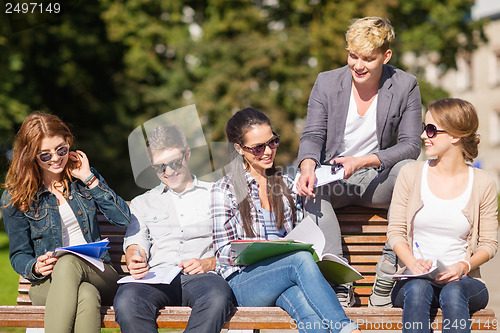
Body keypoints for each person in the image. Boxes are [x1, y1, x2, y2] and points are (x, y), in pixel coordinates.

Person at [296, 16, 422, 306]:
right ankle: (340, 283)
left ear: (386, 55)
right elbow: (313, 134)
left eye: (367, 58)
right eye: (353, 56)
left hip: (377, 178)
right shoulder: (326, 82)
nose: (358, 65)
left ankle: (388, 273)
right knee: (311, 188)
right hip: (335, 181)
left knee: (411, 172)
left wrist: (362, 161)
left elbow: (412, 145)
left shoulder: (405, 85)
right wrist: (307, 166)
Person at [211, 108, 361, 333]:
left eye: (272, 142)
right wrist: (262, 249)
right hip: (244, 283)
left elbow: (301, 235)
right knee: (298, 259)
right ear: (239, 148)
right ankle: (346, 328)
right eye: (257, 147)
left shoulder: (287, 185)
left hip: (285, 279)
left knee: (311, 317)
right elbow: (223, 252)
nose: (267, 151)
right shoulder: (224, 190)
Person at [1, 111, 131, 333]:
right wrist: (34, 266)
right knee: (87, 295)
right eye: (45, 155)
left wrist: (89, 178)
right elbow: (18, 254)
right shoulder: (16, 197)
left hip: (99, 272)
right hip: (47, 283)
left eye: (61, 149)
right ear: (30, 155)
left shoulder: (83, 179)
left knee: (68, 263)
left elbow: (123, 218)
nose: (56, 158)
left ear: (69, 143)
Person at [388, 98, 498, 333]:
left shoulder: (483, 183)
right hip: (413, 281)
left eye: (431, 130)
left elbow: (489, 244)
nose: (423, 136)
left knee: (454, 290)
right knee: (419, 289)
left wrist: (462, 266)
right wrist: (414, 264)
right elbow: (395, 233)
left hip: (465, 282)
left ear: (455, 136)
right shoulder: (411, 174)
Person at [113, 125, 235, 333]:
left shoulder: (215, 194)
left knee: (218, 297)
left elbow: (233, 245)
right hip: (156, 276)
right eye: (159, 167)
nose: (168, 172)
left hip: (202, 278)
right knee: (127, 300)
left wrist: (209, 263)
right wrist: (135, 257)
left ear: (187, 155)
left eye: (174, 163)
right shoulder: (143, 202)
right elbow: (136, 242)